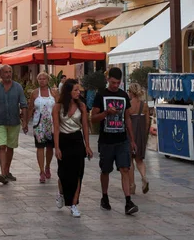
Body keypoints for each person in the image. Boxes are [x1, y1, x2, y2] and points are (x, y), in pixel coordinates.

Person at [91, 67, 139, 216]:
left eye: (118, 83)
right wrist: (106, 113)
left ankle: (128, 201)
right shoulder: (101, 95)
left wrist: (132, 140)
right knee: (105, 170)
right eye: (113, 82)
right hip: (106, 140)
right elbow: (93, 118)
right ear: (108, 79)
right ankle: (104, 197)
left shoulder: (124, 96)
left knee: (125, 168)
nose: (115, 85)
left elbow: (127, 118)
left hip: (121, 140)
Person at [52, 79, 93, 218]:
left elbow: (86, 127)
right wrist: (56, 147)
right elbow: (56, 128)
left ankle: (74, 204)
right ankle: (61, 193)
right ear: (68, 92)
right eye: (75, 90)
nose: (78, 92)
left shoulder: (81, 106)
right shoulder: (58, 107)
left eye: (79, 90)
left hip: (76, 140)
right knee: (63, 173)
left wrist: (87, 145)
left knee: (77, 174)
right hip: (63, 140)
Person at [0, 65, 28, 185]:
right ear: (1, 74)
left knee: (10, 147)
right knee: (2, 146)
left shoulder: (18, 87)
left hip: (14, 122)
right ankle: (3, 173)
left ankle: (7, 171)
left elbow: (24, 105)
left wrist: (25, 121)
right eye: (6, 72)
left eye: (10, 72)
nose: (8, 74)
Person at [28, 72, 58, 183]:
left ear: (48, 80)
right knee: (40, 147)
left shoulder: (54, 93)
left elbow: (58, 108)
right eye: (39, 79)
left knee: (50, 147)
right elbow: (31, 107)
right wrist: (25, 122)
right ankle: (41, 171)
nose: (42, 80)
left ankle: (48, 166)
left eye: (44, 78)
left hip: (51, 124)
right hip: (38, 124)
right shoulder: (35, 93)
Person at [128, 83, 151, 195]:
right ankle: (144, 177)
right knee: (139, 160)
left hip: (130, 134)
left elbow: (126, 121)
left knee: (130, 160)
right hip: (141, 134)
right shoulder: (144, 105)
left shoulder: (128, 105)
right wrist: (144, 135)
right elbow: (147, 122)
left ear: (131, 92)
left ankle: (132, 185)